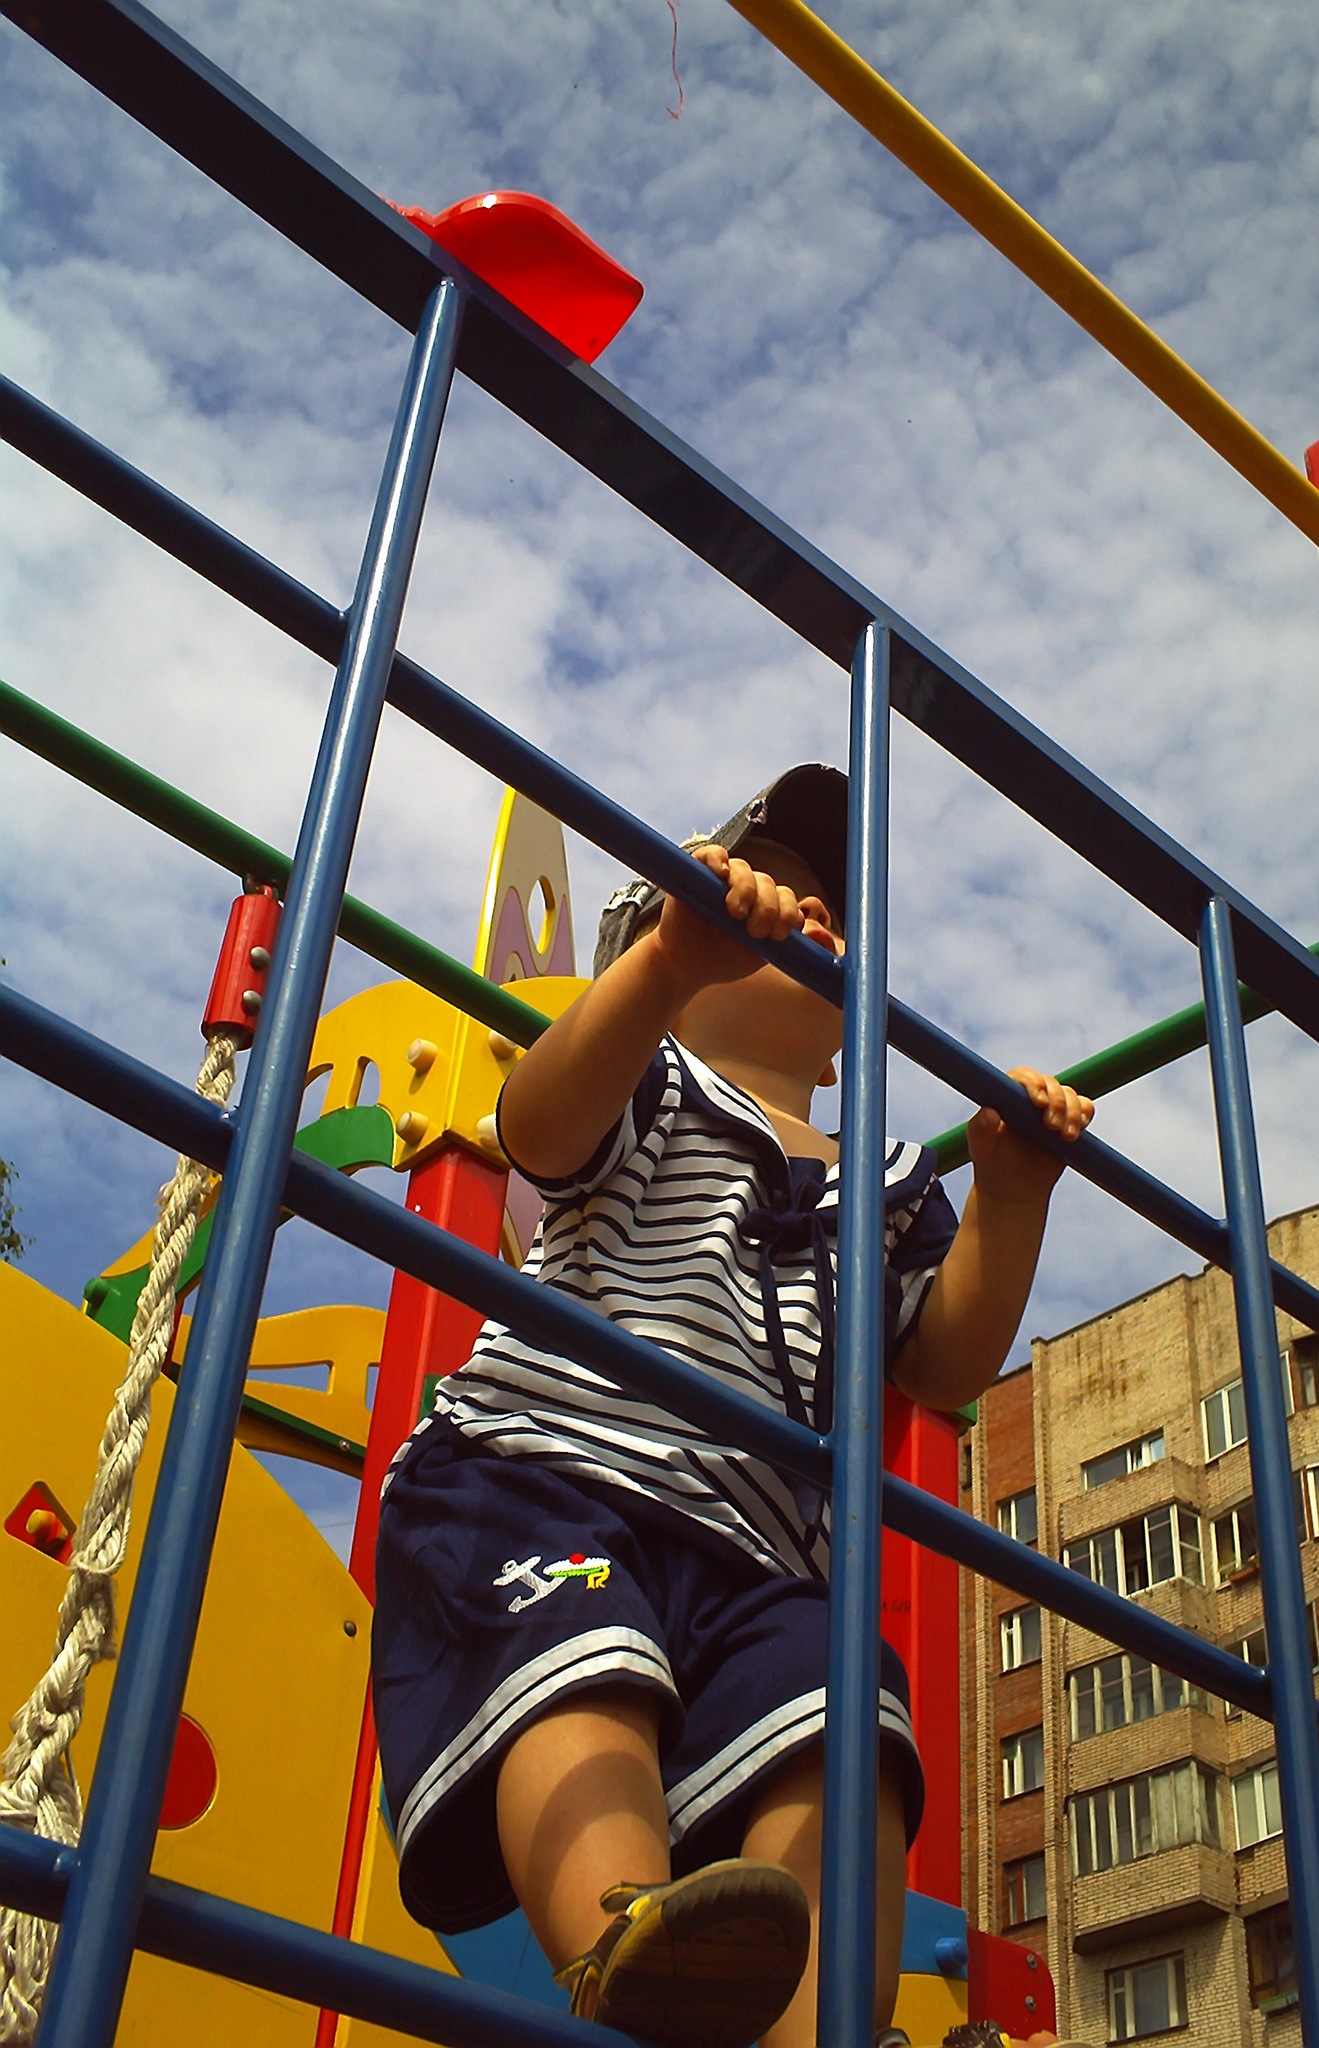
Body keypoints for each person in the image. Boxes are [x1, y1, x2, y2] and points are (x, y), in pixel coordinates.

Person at [371, 766, 1092, 2048]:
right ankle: (625, 1931)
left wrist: (1013, 1193)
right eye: (776, 892)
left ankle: (826, 2024)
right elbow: (540, 1127)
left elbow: (943, 1361)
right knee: (583, 1663)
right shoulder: (654, 1080)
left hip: (758, 1556)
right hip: (545, 1472)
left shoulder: (886, 1174)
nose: (816, 918)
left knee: (849, 1712)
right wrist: (665, 969)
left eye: (834, 915)